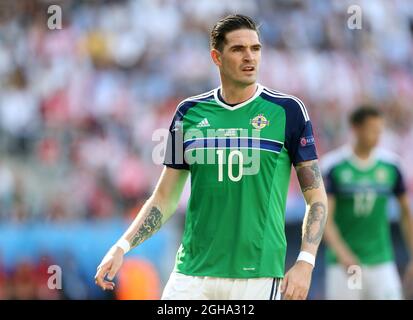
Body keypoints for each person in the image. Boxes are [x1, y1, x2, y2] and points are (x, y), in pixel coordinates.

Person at [95, 14, 327, 300]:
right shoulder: (188, 113)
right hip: (191, 273)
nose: (249, 57)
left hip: (256, 275)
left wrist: (306, 261)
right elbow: (165, 197)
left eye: (255, 49)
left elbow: (315, 197)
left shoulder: (288, 111)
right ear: (216, 57)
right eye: (238, 49)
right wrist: (123, 245)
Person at [322, 106, 413, 300]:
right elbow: (323, 219)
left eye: (379, 130)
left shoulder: (391, 166)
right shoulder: (334, 166)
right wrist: (343, 254)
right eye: (372, 130)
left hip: (381, 261)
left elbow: (406, 212)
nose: (377, 136)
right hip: (346, 265)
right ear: (356, 129)